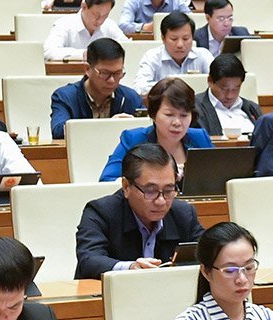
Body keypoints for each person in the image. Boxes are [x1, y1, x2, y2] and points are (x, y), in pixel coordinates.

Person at [75, 141, 201, 277]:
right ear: (126, 187)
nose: (161, 201)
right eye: (150, 191)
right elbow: (89, 260)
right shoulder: (100, 212)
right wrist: (130, 268)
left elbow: (211, 250)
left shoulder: (183, 213)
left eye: (168, 190)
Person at [98, 77, 214, 183]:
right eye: (169, 115)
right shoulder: (133, 139)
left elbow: (218, 178)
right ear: (153, 114)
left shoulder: (200, 138)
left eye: (184, 115)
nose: (177, 123)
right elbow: (107, 180)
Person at [49, 37, 136, 138]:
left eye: (118, 73)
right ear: (87, 69)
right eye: (104, 73)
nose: (111, 80)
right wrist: (109, 126)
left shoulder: (131, 97)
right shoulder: (65, 97)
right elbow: (58, 132)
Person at [131, 10, 211, 93]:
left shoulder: (203, 55)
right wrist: (170, 86)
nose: (180, 44)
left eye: (185, 38)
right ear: (163, 38)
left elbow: (217, 82)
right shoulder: (152, 56)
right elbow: (139, 88)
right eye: (174, 39)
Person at [195, 52, 258, 142]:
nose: (230, 95)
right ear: (210, 81)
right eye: (224, 89)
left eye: (235, 89)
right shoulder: (194, 108)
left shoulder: (252, 108)